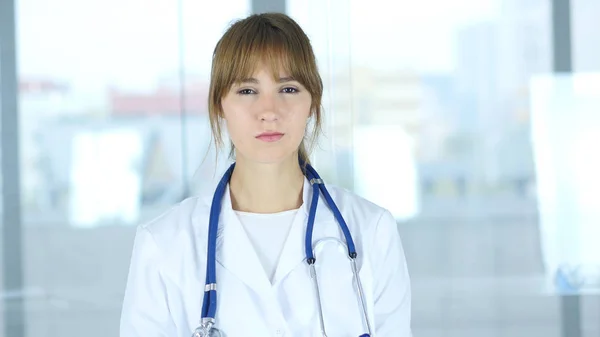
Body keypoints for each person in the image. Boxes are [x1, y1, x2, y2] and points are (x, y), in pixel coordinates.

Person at [120, 12, 412, 337]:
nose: (269, 111)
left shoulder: (371, 231)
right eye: (247, 91)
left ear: (313, 103)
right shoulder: (164, 244)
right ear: (219, 105)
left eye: (288, 89)